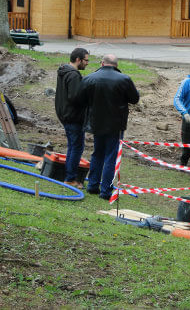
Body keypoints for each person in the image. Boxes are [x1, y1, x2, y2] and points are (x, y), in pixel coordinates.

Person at [75, 54, 139, 200]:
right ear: (116, 65)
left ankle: (92, 186)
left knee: (97, 153)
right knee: (111, 156)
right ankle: (105, 191)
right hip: (116, 125)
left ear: (102, 63)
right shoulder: (124, 79)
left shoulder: (90, 78)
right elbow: (135, 99)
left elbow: (79, 98)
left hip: (96, 123)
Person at [55, 47, 89, 188]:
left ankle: (69, 175)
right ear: (78, 59)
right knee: (76, 147)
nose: (87, 63)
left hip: (65, 115)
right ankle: (70, 178)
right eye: (86, 60)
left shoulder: (64, 71)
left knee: (72, 146)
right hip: (73, 117)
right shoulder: (74, 75)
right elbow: (75, 98)